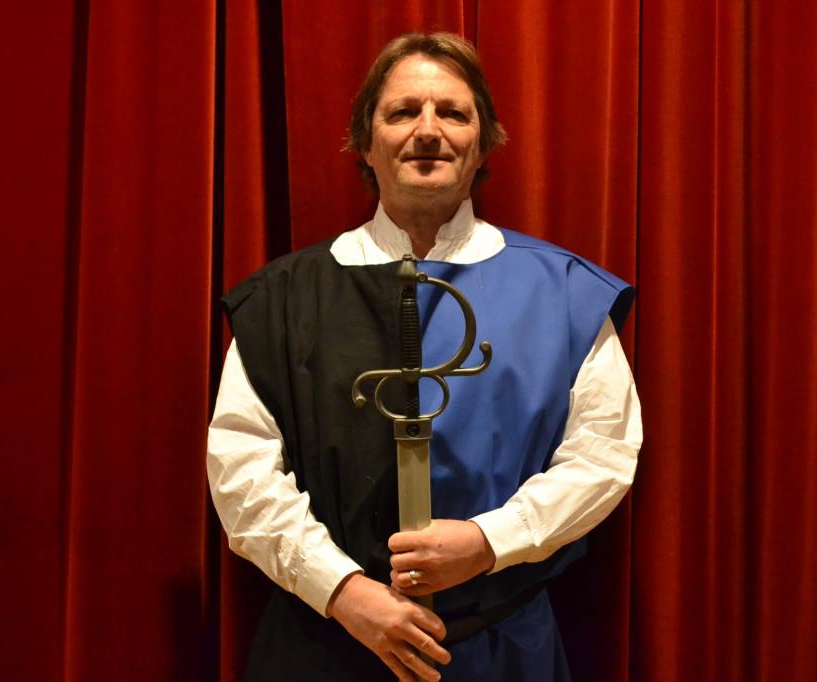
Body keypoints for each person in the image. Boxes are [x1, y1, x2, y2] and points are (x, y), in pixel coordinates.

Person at [207, 32, 642, 681]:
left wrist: (489, 542)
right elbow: (242, 471)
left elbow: (602, 455)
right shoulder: (283, 301)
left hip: (500, 647)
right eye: (404, 112)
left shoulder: (563, 296)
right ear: (366, 140)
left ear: (483, 142)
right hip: (327, 645)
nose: (429, 131)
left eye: (454, 113)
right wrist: (343, 591)